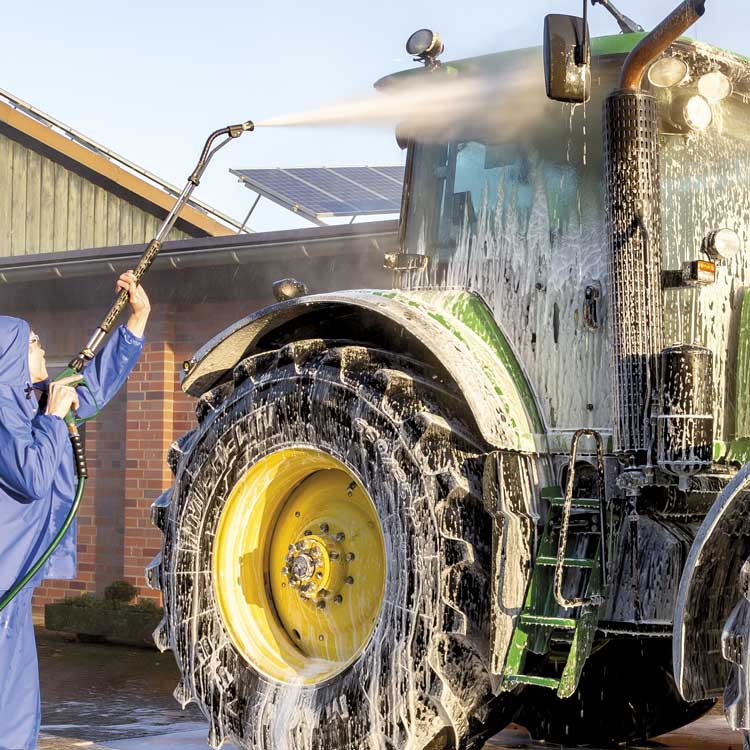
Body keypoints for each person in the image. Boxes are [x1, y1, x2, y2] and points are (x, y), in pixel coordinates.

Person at [0, 271, 150, 750]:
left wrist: (137, 318)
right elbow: (31, 475)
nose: (42, 347)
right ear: (8, 359)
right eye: (33, 343)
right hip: (3, 583)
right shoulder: (7, 417)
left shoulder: (32, 402)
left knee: (17, 700)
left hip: (15, 582)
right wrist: (51, 418)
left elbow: (93, 387)